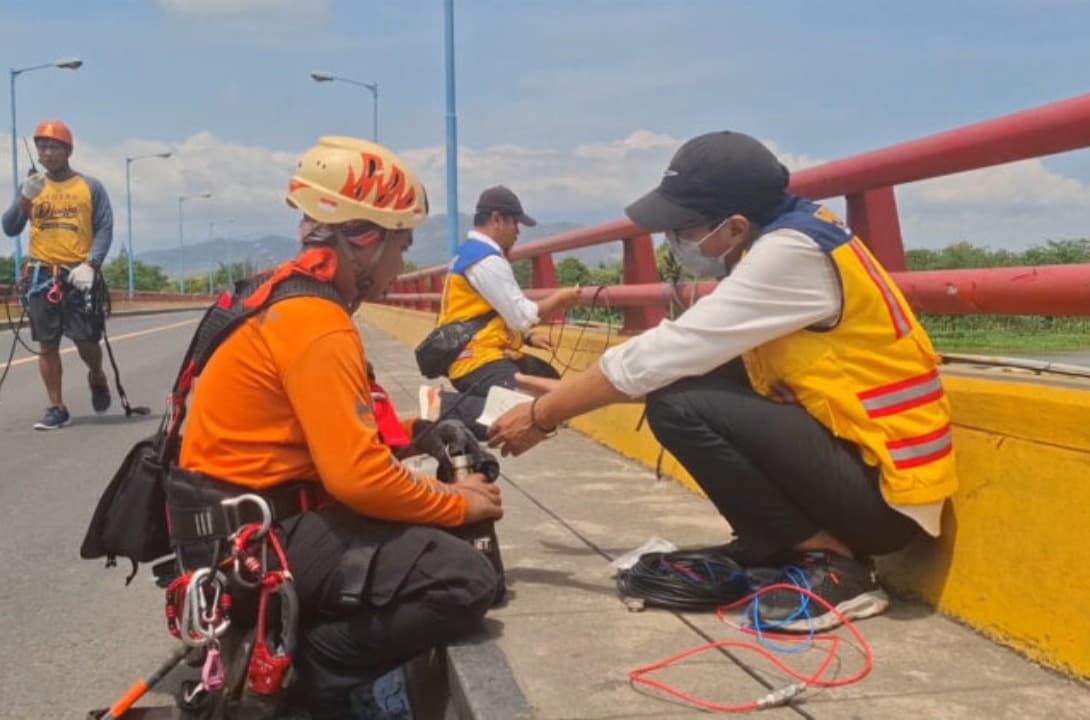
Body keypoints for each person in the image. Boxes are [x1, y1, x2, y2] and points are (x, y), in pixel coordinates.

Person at [489, 131, 957, 630]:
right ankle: (777, 546)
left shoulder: (790, 254)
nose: (673, 240)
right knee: (690, 384)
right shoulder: (793, 232)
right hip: (867, 466)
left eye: (683, 228)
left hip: (887, 494)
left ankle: (833, 565)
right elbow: (686, 361)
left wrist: (544, 416)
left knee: (677, 406)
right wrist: (568, 396)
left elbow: (666, 351)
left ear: (735, 226)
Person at [175, 136, 502, 717]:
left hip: (229, 527)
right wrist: (459, 502)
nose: (402, 266)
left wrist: (415, 432)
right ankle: (304, 671)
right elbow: (358, 478)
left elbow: (331, 434)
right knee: (465, 580)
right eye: (401, 246)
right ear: (365, 239)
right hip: (258, 540)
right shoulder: (318, 323)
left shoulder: (284, 298)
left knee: (420, 537)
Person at [1, 120, 114, 430]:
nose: (47, 153)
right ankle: (57, 406)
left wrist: (91, 264)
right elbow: (10, 227)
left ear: (68, 151)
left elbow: (104, 228)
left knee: (86, 340)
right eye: (42, 147)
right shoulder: (33, 186)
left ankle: (96, 374)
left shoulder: (90, 187)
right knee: (47, 345)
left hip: (78, 275)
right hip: (41, 276)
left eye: (54, 147)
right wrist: (24, 199)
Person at [433, 185, 582, 400]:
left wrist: (527, 338)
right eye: (515, 223)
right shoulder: (486, 260)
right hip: (476, 360)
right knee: (530, 401)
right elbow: (522, 316)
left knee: (548, 378)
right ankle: (449, 411)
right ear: (497, 219)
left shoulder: (470, 253)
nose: (518, 232)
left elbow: (493, 313)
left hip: (478, 353)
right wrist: (559, 299)